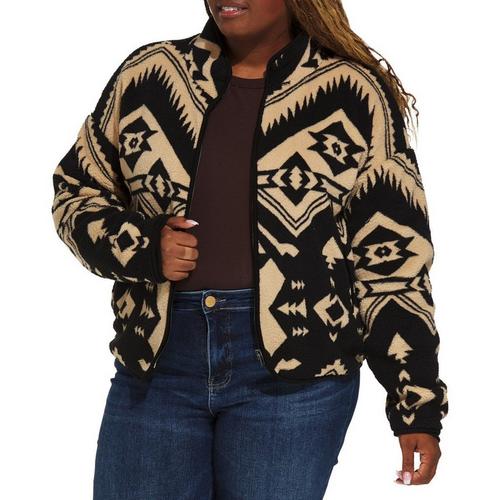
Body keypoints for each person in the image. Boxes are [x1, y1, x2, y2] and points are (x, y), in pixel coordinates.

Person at [51, 0, 449, 497]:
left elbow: (392, 258)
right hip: (157, 368)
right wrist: (144, 248)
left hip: (297, 375)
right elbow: (76, 192)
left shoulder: (351, 93)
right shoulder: (149, 76)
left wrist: (416, 404)